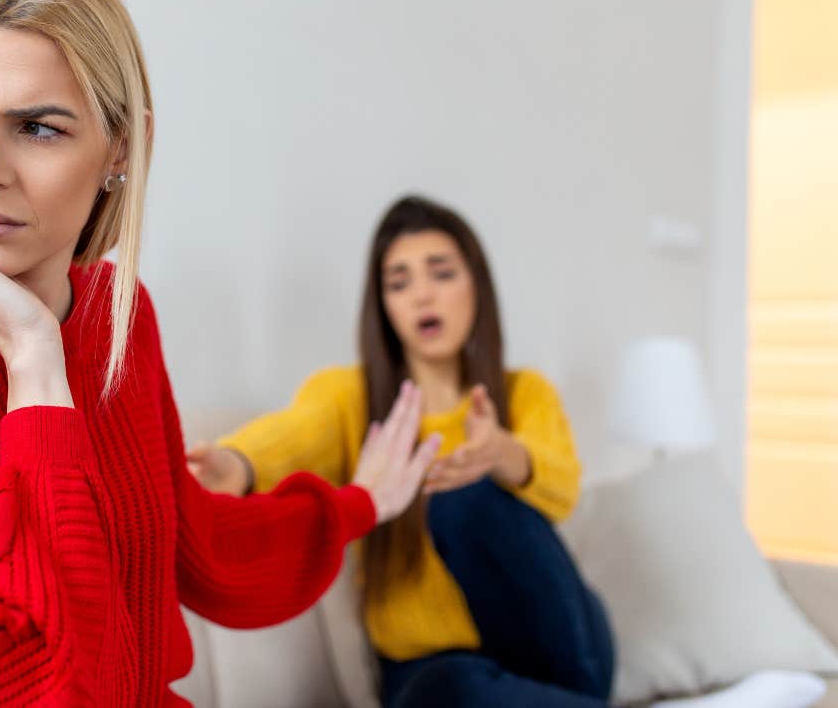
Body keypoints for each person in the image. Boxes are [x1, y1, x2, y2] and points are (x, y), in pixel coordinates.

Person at [0, 0, 436, 707]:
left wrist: (362, 503)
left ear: (121, 147)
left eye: (38, 129)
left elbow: (199, 548)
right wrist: (32, 362)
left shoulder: (119, 314)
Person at [188, 195, 617, 707]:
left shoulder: (524, 393)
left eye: (441, 274)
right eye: (399, 282)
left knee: (465, 501)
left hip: (561, 654)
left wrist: (503, 454)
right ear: (384, 306)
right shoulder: (352, 397)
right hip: (438, 672)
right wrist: (234, 465)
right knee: (443, 690)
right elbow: (292, 436)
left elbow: (564, 486)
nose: (422, 297)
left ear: (475, 286)